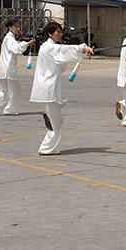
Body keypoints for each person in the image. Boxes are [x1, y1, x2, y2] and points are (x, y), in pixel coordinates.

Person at [29, 22, 94, 155]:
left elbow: (62, 57)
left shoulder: (46, 47)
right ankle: (46, 148)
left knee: (61, 103)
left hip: (46, 88)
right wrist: (82, 48)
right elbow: (64, 50)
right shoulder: (50, 48)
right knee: (57, 122)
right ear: (50, 34)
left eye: (61, 32)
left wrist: (82, 51)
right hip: (48, 88)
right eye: (57, 32)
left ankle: (48, 117)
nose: (60, 34)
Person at [0, 19, 35, 115]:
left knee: (5, 91)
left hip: (3, 70)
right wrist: (27, 43)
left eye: (18, 27)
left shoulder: (9, 38)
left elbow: (14, 46)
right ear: (10, 28)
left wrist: (19, 43)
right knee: (15, 90)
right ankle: (10, 110)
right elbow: (16, 49)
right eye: (16, 27)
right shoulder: (9, 38)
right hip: (8, 70)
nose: (18, 29)